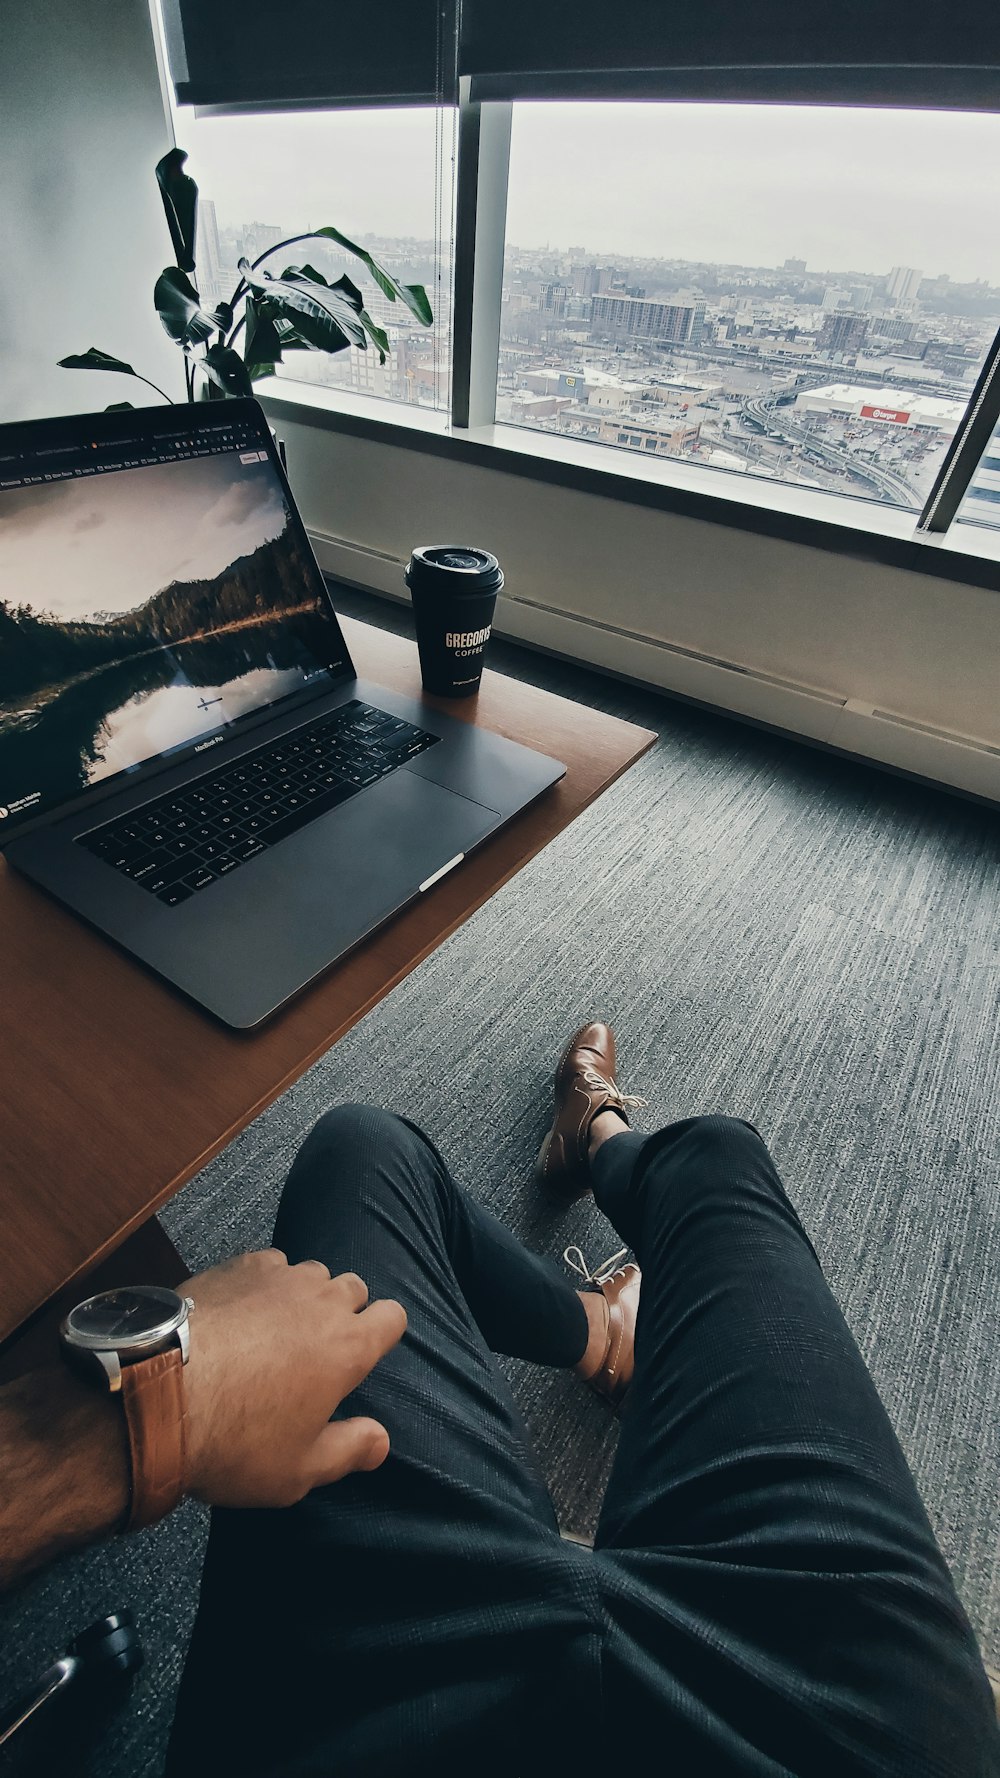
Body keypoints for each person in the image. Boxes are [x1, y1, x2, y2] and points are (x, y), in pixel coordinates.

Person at [2, 1023, 997, 1776]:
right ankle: (601, 1164)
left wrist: (118, 1431)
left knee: (364, 1150)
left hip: (373, 1725)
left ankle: (602, 1284)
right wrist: (135, 1419)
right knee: (718, 1161)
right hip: (853, 1735)